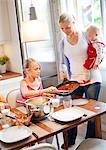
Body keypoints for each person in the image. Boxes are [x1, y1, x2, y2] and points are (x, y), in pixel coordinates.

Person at [58, 13, 102, 149]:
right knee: (71, 110)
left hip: (92, 78)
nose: (66, 31)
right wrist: (62, 71)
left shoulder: (86, 35)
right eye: (62, 28)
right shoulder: (63, 42)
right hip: (74, 81)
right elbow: (62, 62)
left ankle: (90, 142)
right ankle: (70, 140)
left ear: (74, 22)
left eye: (68, 27)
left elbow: (100, 48)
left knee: (92, 112)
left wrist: (98, 61)